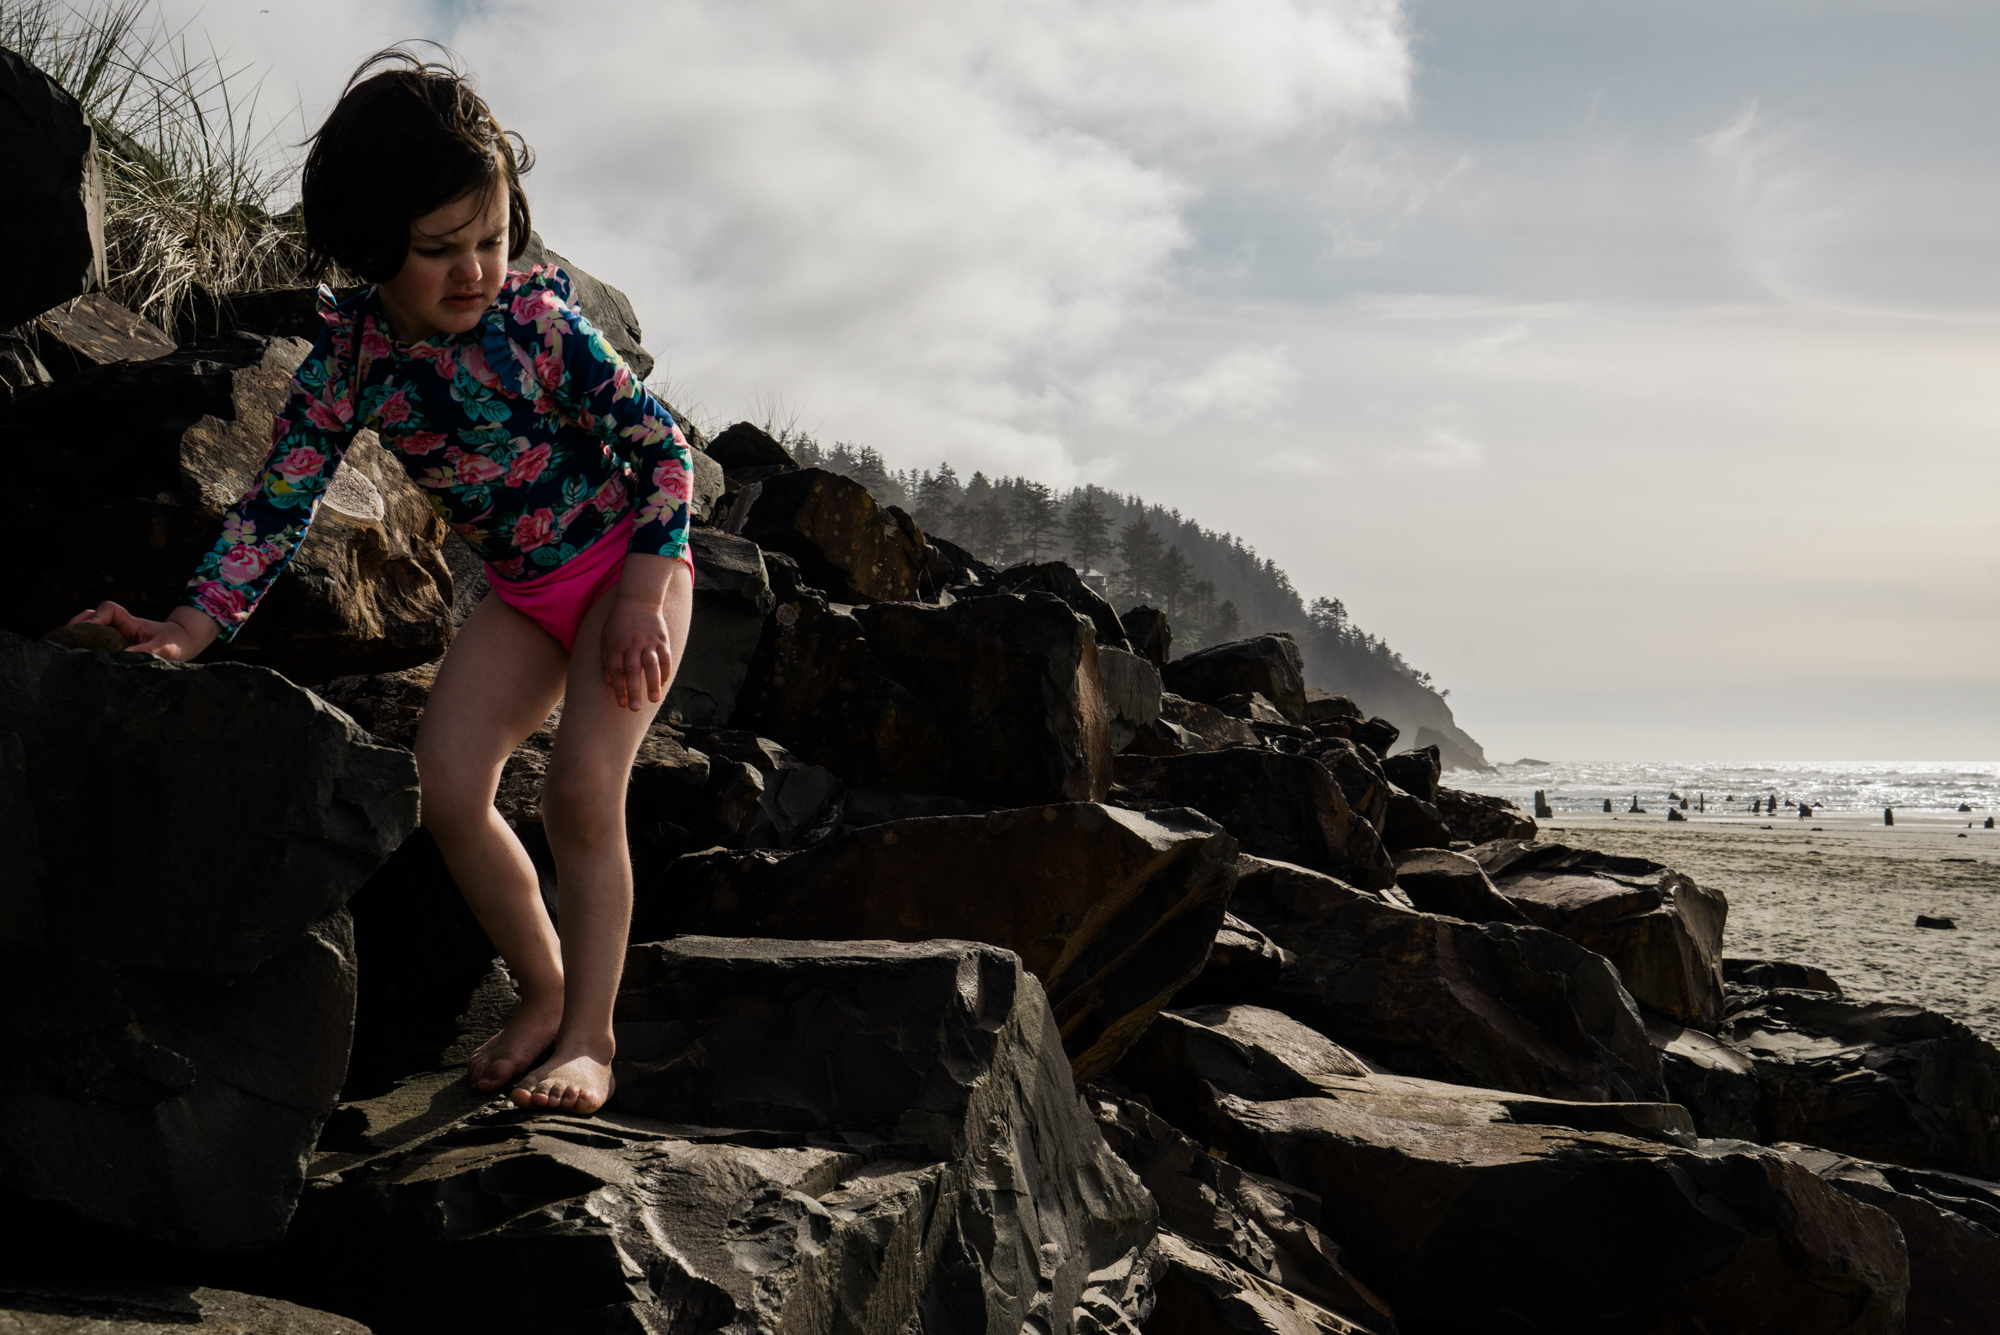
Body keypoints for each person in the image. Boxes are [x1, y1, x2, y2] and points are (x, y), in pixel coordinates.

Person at [67, 48, 695, 1116]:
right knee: (446, 785)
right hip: (524, 598)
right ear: (368, 246)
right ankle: (542, 991)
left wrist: (640, 591)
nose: (475, 271)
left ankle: (591, 1036)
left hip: (632, 569)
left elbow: (666, 452)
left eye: (492, 239)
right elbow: (277, 507)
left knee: (586, 791)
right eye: (439, 249)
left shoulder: (538, 327)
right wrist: (185, 627)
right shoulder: (348, 363)